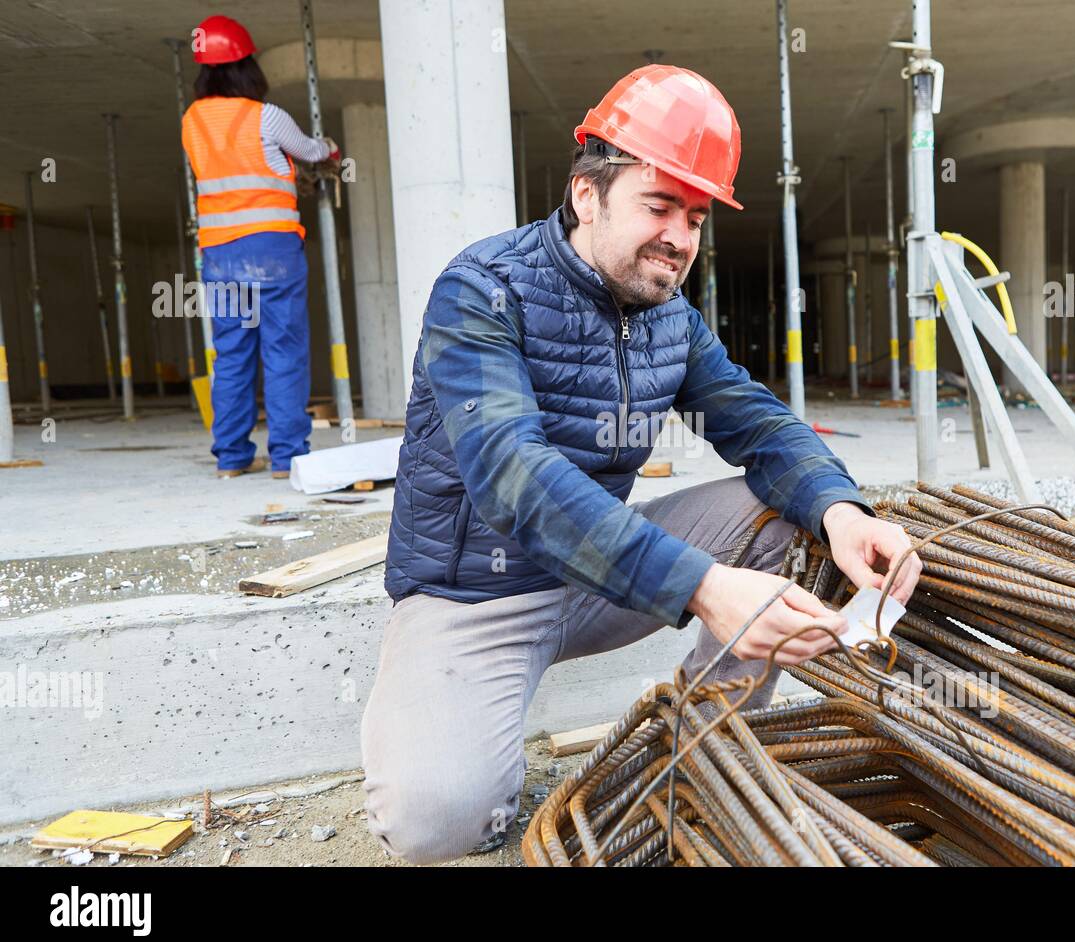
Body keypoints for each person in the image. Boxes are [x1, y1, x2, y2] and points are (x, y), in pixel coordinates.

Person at [360, 64, 923, 864]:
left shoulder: (670, 319)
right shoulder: (482, 290)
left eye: (695, 216)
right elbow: (511, 472)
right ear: (587, 194)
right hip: (476, 593)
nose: (680, 237)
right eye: (658, 205)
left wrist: (842, 511)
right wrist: (701, 586)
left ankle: (701, 755)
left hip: (598, 574)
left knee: (783, 514)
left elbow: (757, 422)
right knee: (438, 824)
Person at [180, 14, 339, 479]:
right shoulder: (264, 115)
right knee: (283, 352)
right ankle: (287, 457)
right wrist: (328, 148)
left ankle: (230, 458)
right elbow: (310, 151)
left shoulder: (191, 123)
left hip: (220, 255)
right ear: (247, 67)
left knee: (231, 355)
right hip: (271, 250)